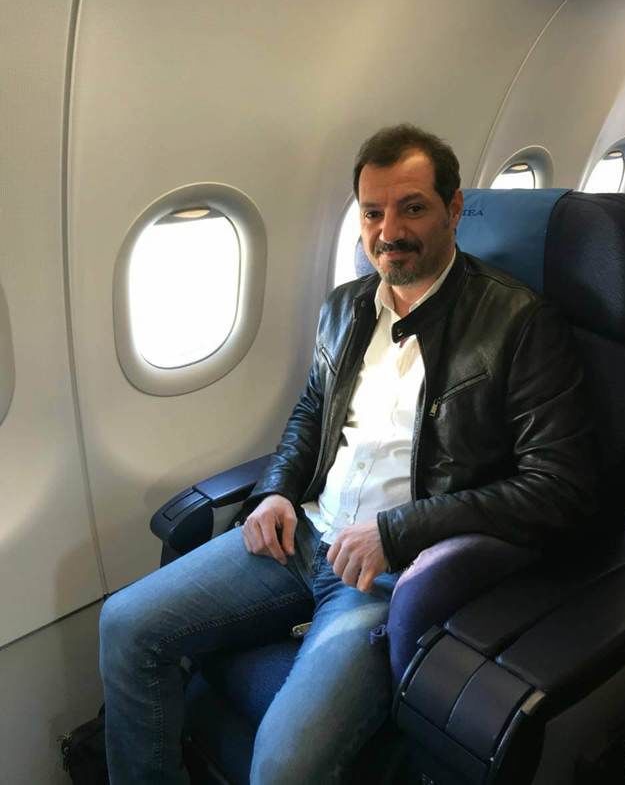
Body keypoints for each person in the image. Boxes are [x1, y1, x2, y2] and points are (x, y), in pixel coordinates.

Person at [99, 124, 596, 785]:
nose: (389, 231)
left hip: (391, 577)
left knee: (282, 767)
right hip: (302, 536)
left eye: (412, 207)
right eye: (371, 212)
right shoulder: (345, 306)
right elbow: (311, 412)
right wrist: (275, 491)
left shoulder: (518, 322)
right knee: (126, 626)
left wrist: (396, 532)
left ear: (453, 209)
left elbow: (558, 487)